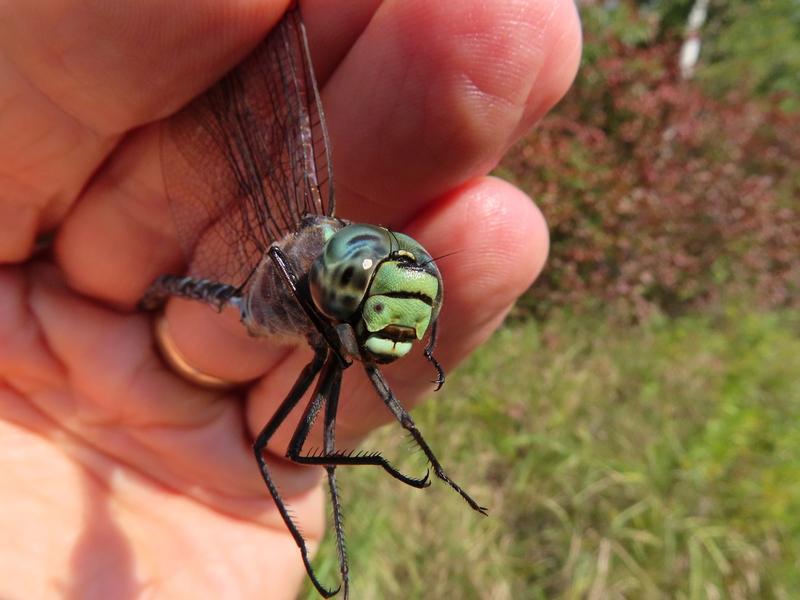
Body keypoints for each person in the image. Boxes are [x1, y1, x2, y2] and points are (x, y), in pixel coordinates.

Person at [0, 0, 581, 597]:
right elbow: (295, 438)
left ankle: (396, 511)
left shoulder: (347, 308)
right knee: (293, 446)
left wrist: (424, 351)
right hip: (227, 287)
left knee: (321, 436)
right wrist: (378, 463)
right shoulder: (304, 270)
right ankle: (330, 560)